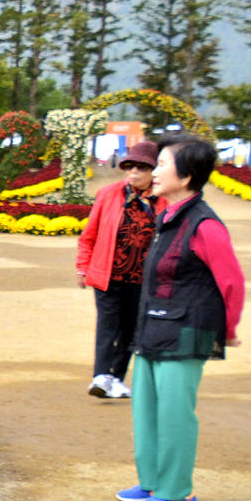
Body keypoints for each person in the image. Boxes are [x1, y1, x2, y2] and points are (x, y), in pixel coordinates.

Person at [117, 135, 244, 501]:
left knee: (174, 413)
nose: (153, 172)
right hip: (154, 326)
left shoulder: (205, 224)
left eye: (162, 165)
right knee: (146, 409)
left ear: (187, 177)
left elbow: (231, 281)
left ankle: (178, 493)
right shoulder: (167, 215)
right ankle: (152, 481)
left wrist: (229, 329)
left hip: (186, 331)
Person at [75, 140, 165, 400]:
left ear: (154, 171)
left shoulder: (163, 200)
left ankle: (116, 378)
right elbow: (89, 234)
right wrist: (83, 266)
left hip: (142, 278)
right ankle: (101, 376)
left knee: (131, 329)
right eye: (130, 167)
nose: (134, 172)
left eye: (141, 167)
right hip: (109, 273)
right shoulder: (109, 194)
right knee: (108, 325)